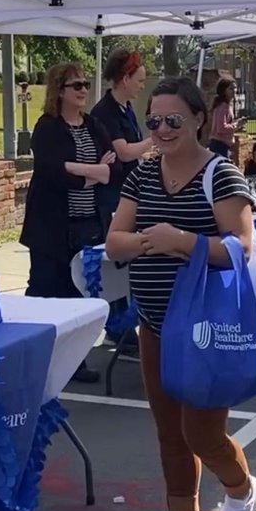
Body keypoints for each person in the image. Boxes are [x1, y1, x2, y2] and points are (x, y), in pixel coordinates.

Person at [106, 76, 256, 511]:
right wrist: (156, 241)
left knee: (202, 433)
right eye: (154, 120)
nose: (164, 129)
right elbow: (115, 242)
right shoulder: (142, 174)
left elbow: (240, 247)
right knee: (168, 432)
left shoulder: (222, 175)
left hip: (202, 330)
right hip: (154, 322)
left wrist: (181, 241)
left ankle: (240, 491)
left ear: (199, 118)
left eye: (174, 119)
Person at [21, 62, 118, 384]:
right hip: (50, 228)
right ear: (59, 91)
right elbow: (51, 171)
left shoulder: (93, 126)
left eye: (86, 84)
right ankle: (31, 355)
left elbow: (112, 171)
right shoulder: (47, 127)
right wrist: (92, 171)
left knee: (78, 293)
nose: (83, 91)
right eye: (76, 85)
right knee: (46, 290)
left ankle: (74, 361)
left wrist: (78, 169)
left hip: (87, 225)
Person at [90, 48, 154, 350]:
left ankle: (125, 322)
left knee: (128, 261)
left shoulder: (126, 109)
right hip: (111, 195)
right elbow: (125, 150)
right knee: (114, 260)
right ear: (125, 78)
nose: (142, 86)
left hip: (129, 192)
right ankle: (116, 325)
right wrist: (156, 139)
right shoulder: (105, 111)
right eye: (139, 80)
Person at [209, 78, 243, 159]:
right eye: (231, 88)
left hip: (224, 145)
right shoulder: (222, 106)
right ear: (224, 91)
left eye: (235, 88)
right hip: (219, 145)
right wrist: (236, 125)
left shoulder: (228, 105)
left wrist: (237, 123)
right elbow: (221, 128)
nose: (234, 91)